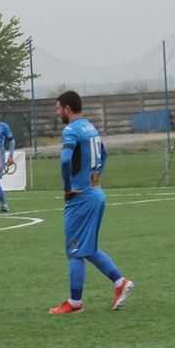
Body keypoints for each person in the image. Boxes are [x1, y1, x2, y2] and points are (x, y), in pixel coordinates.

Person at [49, 91, 134, 314]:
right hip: (95, 192)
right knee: (88, 248)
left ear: (67, 108)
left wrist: (67, 188)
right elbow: (104, 154)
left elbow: (65, 160)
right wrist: (95, 176)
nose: (57, 113)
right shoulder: (90, 127)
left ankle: (75, 303)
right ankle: (120, 283)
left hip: (81, 196)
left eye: (58, 108)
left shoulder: (71, 130)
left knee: (75, 250)